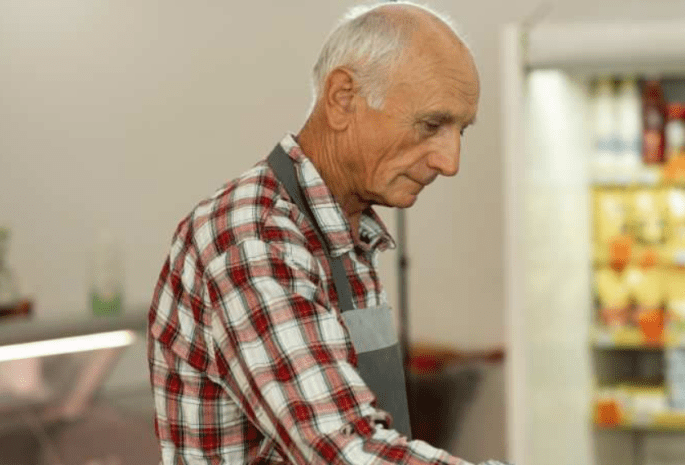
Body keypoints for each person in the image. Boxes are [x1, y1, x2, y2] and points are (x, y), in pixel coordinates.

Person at [146, 2, 507, 464]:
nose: (449, 162)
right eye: (431, 124)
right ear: (342, 98)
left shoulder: (348, 235)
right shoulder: (253, 237)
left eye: (461, 131)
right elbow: (343, 449)